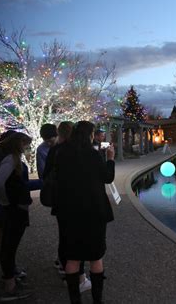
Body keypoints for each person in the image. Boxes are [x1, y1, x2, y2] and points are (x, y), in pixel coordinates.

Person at [55, 121, 115, 304]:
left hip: (69, 211)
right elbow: (107, 177)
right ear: (90, 135)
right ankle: (97, 300)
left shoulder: (61, 154)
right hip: (93, 211)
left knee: (72, 257)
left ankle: (75, 300)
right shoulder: (93, 155)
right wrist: (110, 158)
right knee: (95, 256)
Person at [0, 132, 34, 301]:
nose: (26, 147)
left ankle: (9, 277)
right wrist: (4, 199)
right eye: (25, 144)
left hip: (7, 207)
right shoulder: (11, 158)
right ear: (17, 143)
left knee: (5, 244)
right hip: (14, 207)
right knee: (9, 245)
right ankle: (10, 287)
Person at [43, 121, 92, 293]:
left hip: (59, 201)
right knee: (77, 238)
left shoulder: (54, 150)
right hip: (76, 202)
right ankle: (77, 277)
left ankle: (64, 267)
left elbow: (45, 174)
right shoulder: (74, 151)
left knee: (64, 235)